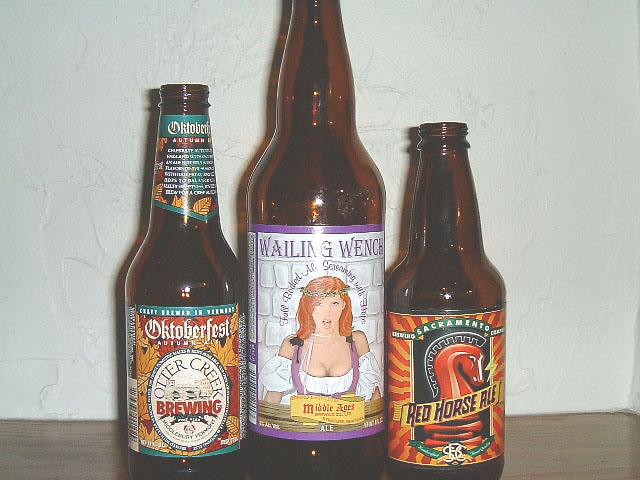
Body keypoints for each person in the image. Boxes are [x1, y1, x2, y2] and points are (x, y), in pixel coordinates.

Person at [260, 276, 382, 404]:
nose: (327, 312)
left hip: (350, 417)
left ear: (343, 305)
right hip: (302, 417)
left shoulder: (357, 341)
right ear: (309, 307)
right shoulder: (292, 345)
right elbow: (272, 399)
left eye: (334, 303)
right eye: (319, 304)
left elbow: (374, 396)